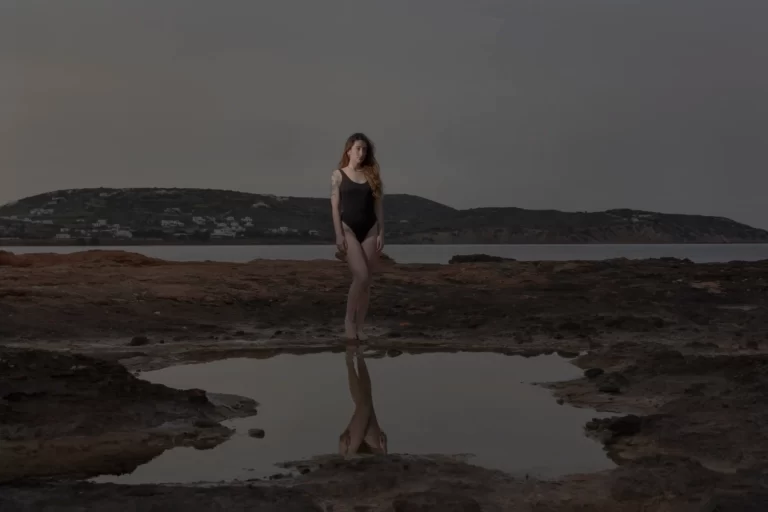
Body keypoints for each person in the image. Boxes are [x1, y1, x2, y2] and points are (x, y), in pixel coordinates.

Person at [330, 132, 384, 340]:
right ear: (349, 150)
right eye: (358, 149)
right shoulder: (338, 175)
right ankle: (348, 321)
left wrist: (381, 232)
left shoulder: (372, 175)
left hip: (370, 229)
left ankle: (360, 327)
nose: (361, 153)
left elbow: (379, 207)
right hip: (348, 229)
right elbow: (334, 207)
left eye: (364, 149)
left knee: (366, 280)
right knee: (360, 275)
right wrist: (338, 234)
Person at [338, 345, 387, 457]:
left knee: (365, 403)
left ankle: (352, 359)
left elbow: (342, 459)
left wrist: (342, 449)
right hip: (375, 451)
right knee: (366, 401)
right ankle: (357, 358)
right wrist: (384, 450)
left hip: (352, 452)